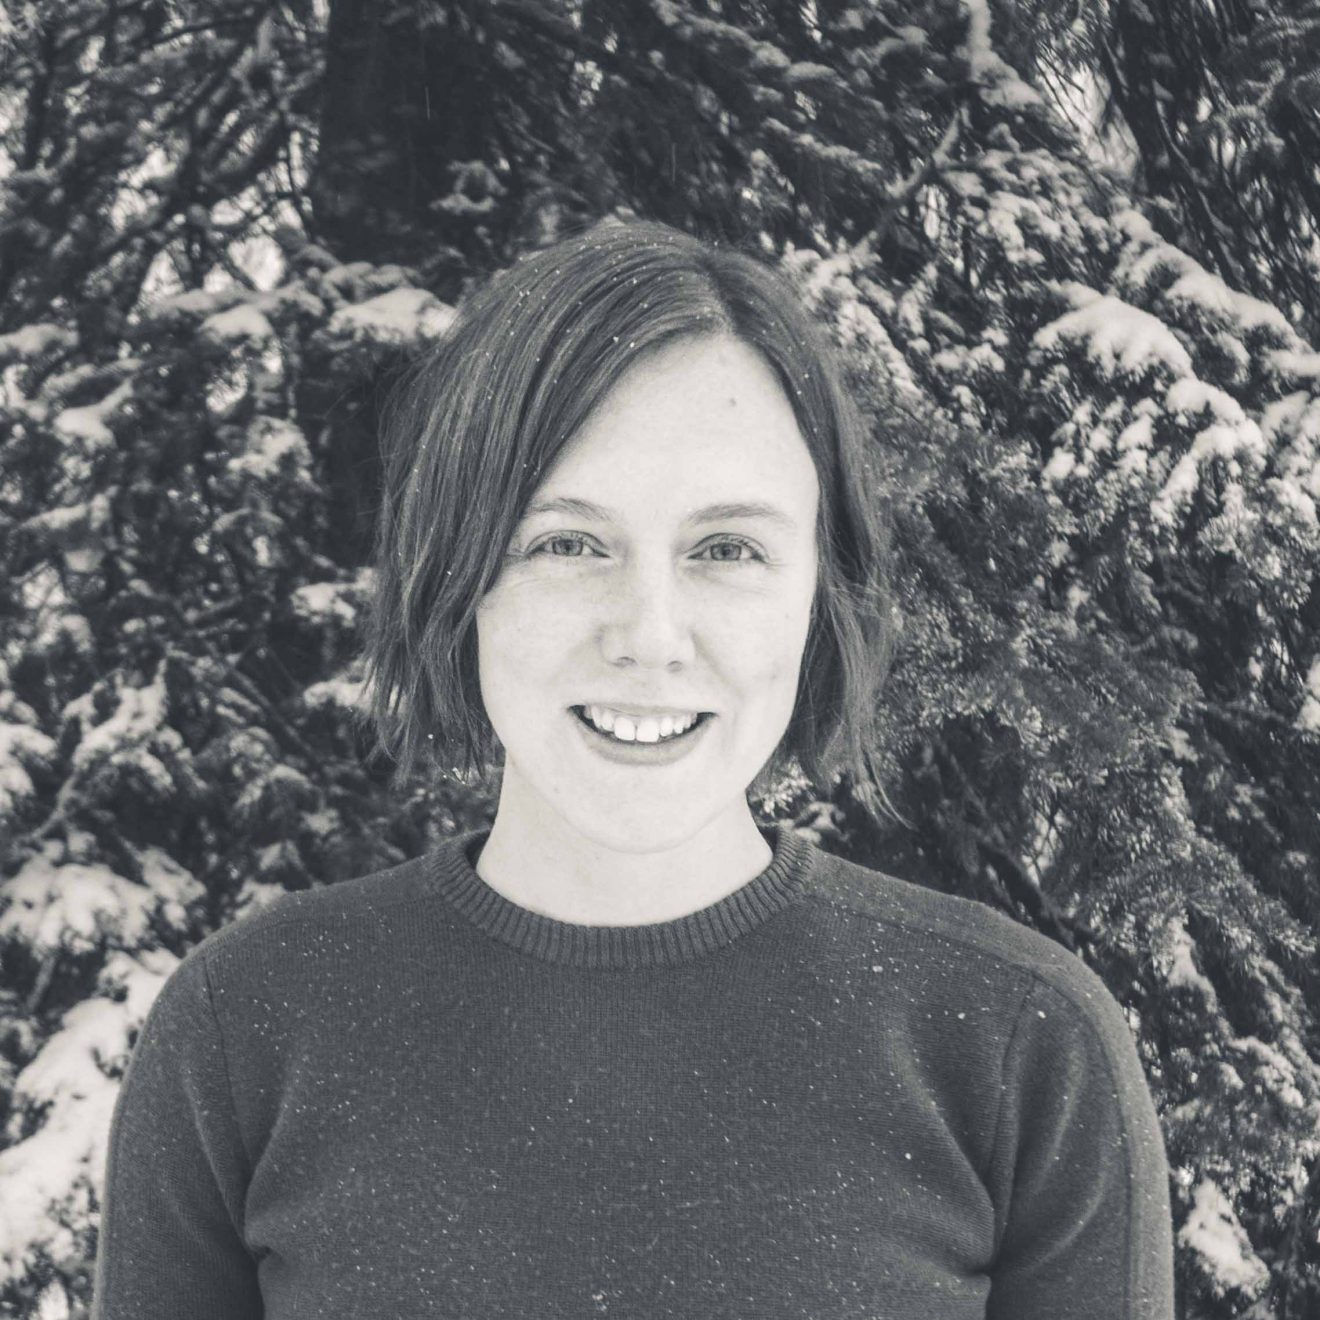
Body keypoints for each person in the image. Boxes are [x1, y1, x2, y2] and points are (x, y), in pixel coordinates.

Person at [91, 216, 1176, 1319]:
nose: (649, 636)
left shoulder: (1019, 1046)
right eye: (567, 543)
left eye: (728, 549)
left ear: (821, 594)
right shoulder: (246, 1030)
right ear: (455, 572)